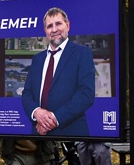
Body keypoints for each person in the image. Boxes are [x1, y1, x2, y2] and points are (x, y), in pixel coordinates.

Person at [20, 7, 96, 138]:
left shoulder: (82, 53)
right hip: (39, 135)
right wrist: (36, 112)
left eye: (58, 24)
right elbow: (27, 93)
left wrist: (53, 119)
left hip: (72, 133)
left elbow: (86, 94)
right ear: (45, 31)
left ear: (67, 25)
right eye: (49, 26)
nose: (54, 29)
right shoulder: (37, 59)